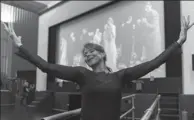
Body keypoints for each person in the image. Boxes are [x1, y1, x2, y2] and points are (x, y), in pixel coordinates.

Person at [2, 15, 194, 120]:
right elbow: (46, 66)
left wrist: (179, 42)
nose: (87, 54)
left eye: (91, 51)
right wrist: (19, 45)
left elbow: (153, 63)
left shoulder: (120, 76)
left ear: (102, 54)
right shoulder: (82, 74)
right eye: (85, 54)